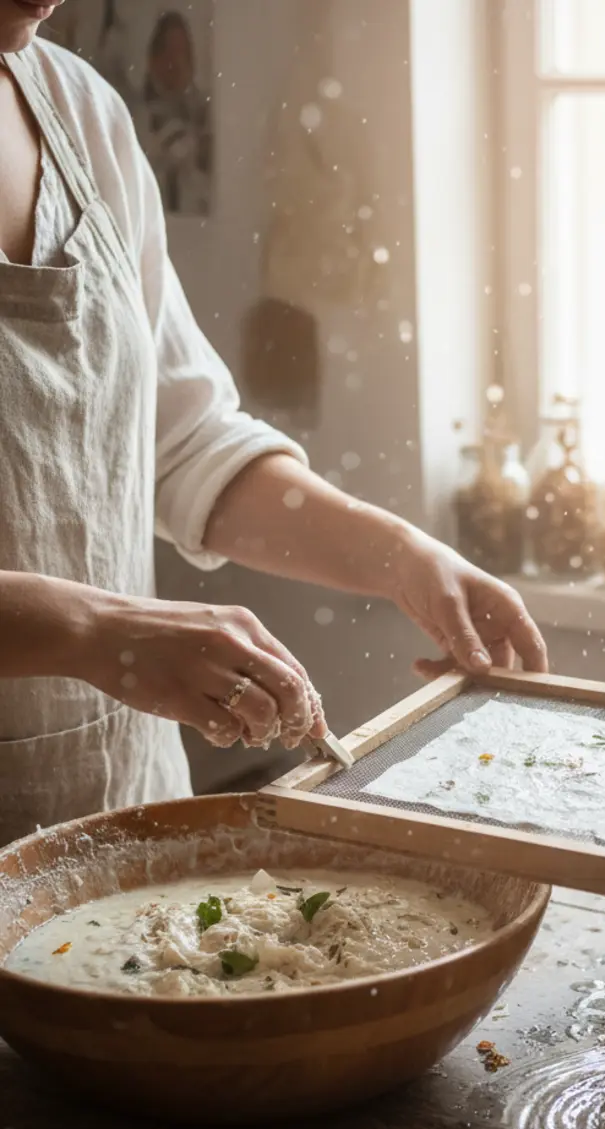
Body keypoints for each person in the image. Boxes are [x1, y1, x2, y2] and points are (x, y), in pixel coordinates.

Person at [0, 0, 548, 846]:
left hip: (124, 810)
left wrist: (402, 556)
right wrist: (96, 632)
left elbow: (185, 445)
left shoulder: (81, 112)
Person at [137, 10, 210, 215]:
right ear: (153, 58)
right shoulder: (133, 117)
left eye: (183, 53)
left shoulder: (206, 120)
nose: (176, 63)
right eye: (170, 51)